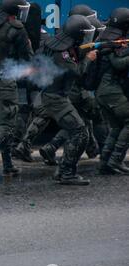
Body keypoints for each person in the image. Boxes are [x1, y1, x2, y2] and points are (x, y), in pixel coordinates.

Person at [36, 15, 98, 185]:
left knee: (77, 130)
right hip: (55, 98)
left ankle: (63, 170)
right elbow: (77, 73)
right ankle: (66, 173)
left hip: (57, 96)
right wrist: (88, 59)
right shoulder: (62, 54)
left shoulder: (63, 46)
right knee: (80, 132)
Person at [0, 0, 34, 183]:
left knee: (4, 124)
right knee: (7, 126)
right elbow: (27, 59)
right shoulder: (16, 28)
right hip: (5, 82)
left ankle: (8, 164)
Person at [95, 7, 129, 175]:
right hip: (110, 90)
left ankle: (104, 163)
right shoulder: (111, 41)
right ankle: (116, 160)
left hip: (103, 91)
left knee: (116, 127)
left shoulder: (108, 37)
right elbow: (118, 64)